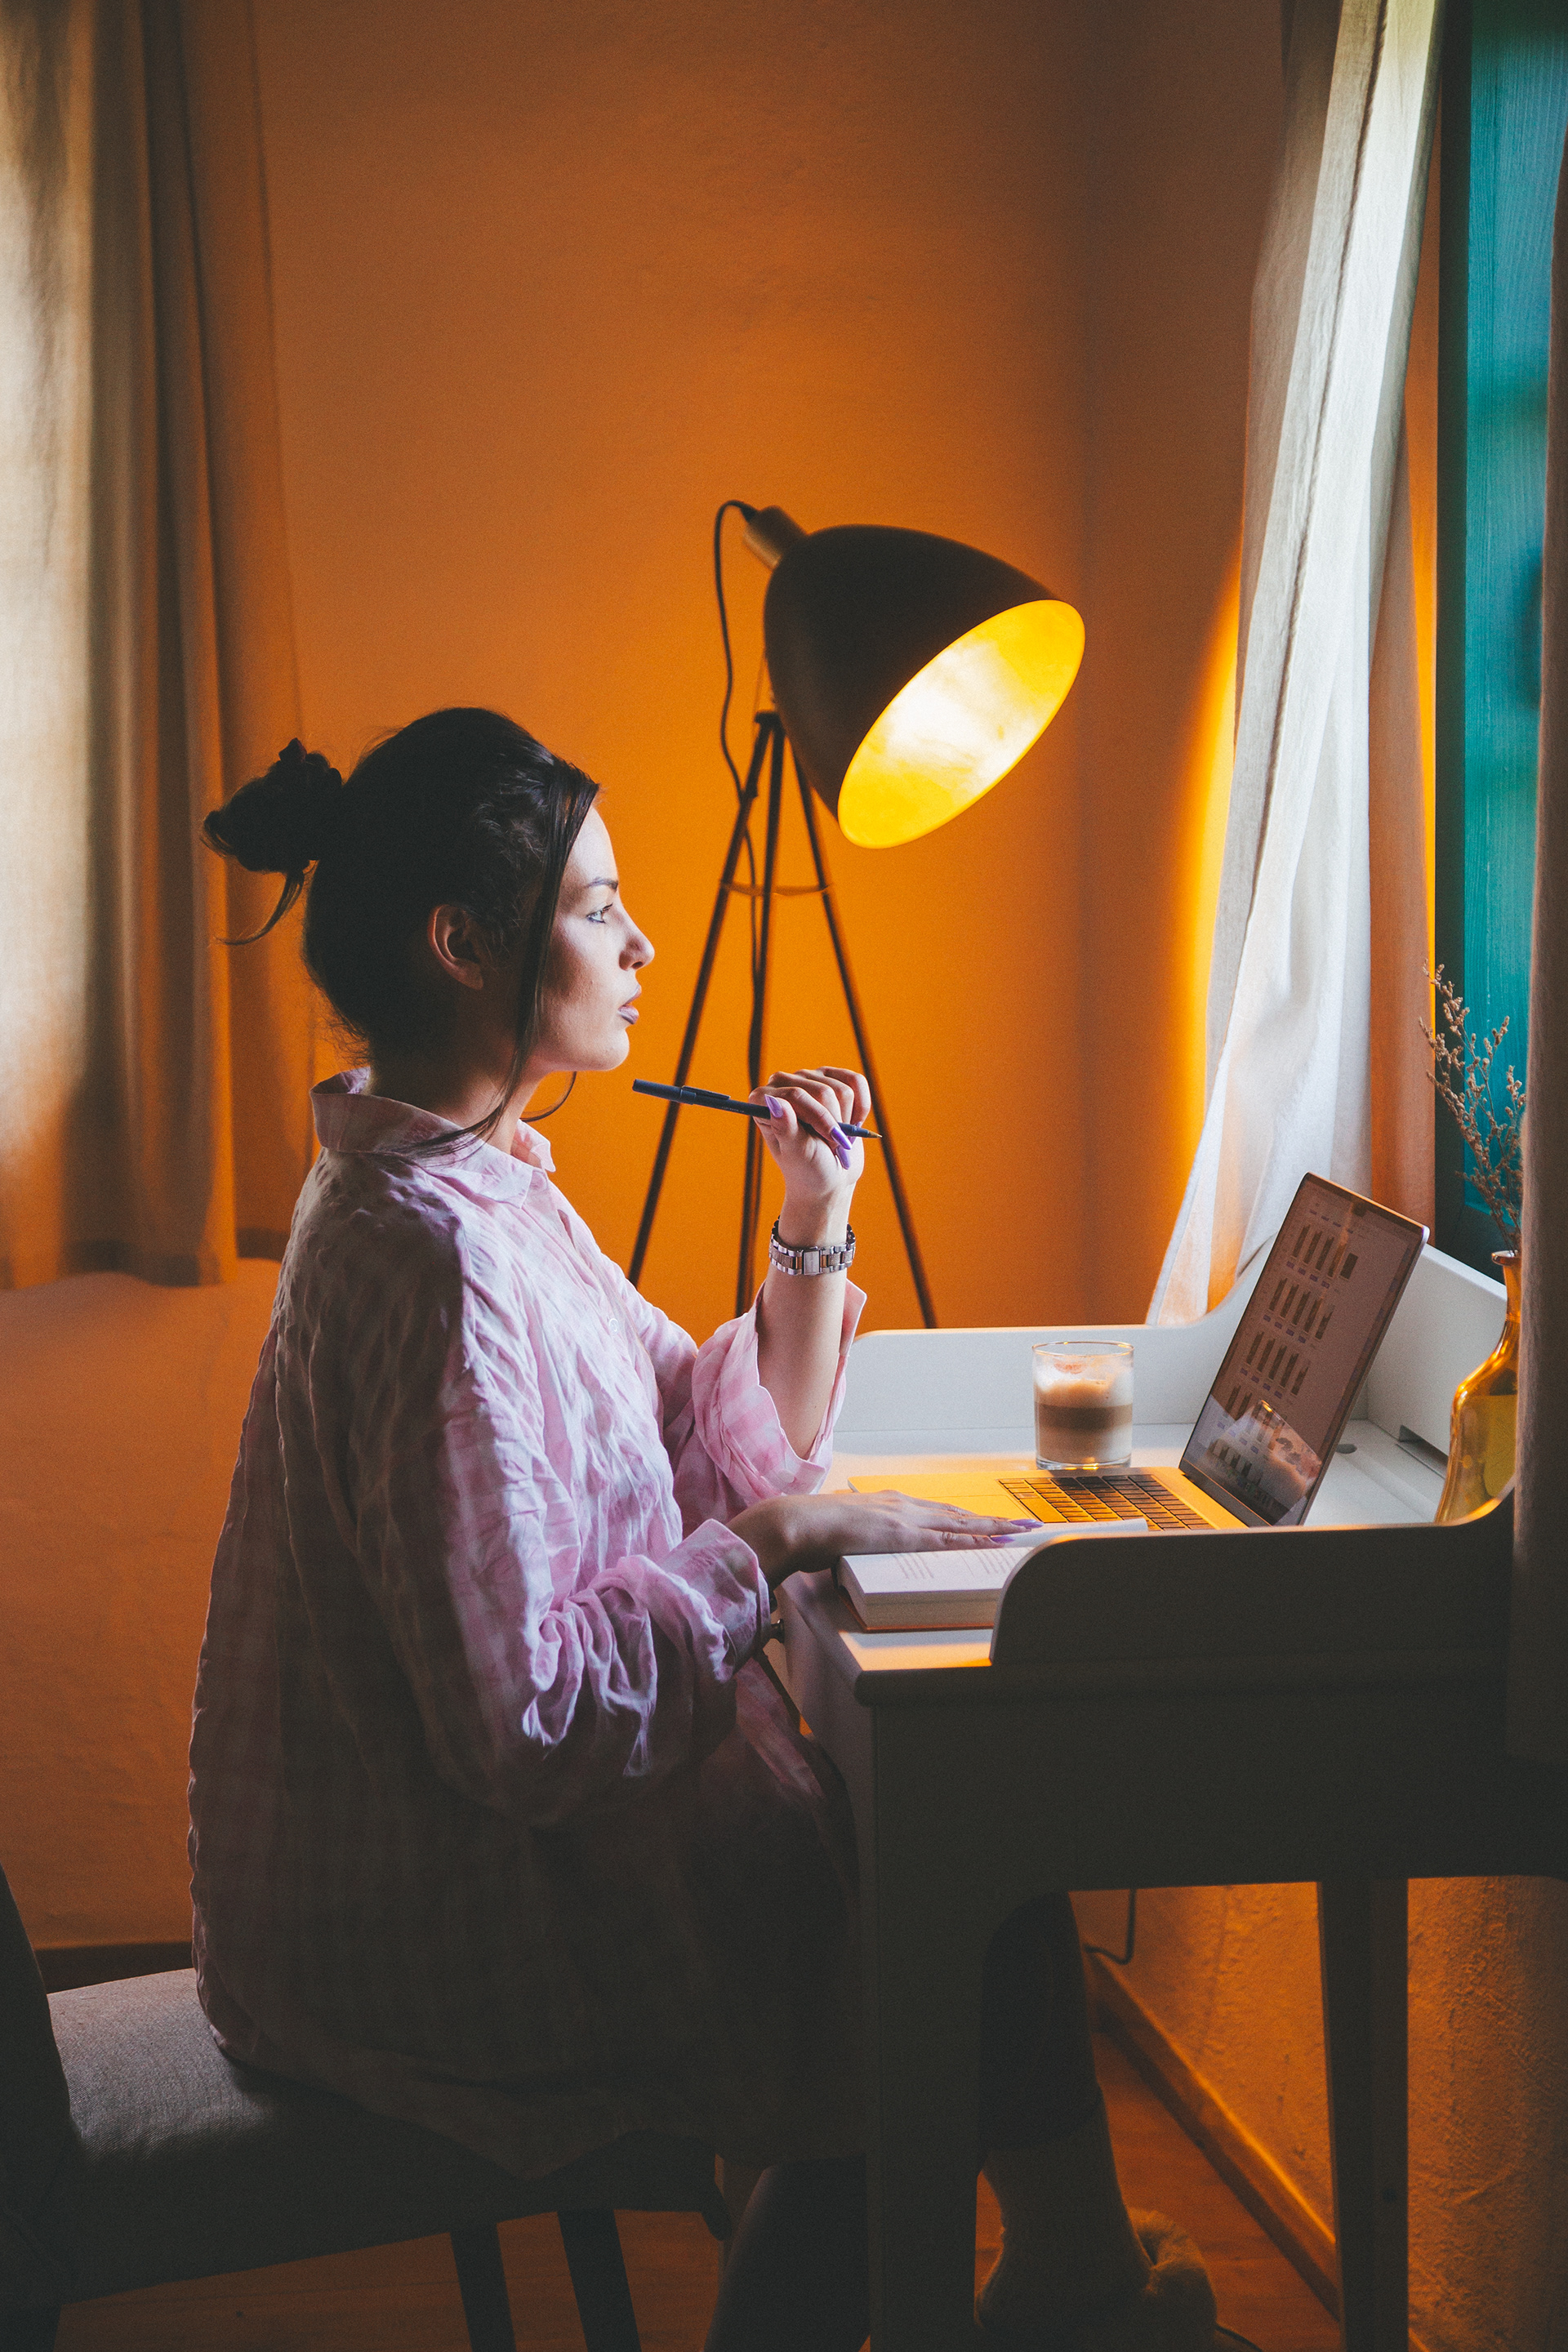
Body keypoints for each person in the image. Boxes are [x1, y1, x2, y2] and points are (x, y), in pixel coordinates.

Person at [192, 708, 1215, 2350]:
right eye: (600, 907)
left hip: (433, 1853)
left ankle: (1071, 2284)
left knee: (956, 1862)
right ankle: (1073, 2287)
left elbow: (691, 1422)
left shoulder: (472, 1183)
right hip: (428, 1914)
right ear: (465, 945)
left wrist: (814, 1218)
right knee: (917, 1943)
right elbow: (527, 1722)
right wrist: (785, 1542)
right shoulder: (434, 1255)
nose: (642, 943)